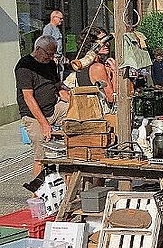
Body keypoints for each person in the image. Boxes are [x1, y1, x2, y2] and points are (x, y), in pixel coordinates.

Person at [15, 35, 69, 176]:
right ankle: (36, 194)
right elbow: (28, 97)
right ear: (38, 49)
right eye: (48, 54)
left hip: (53, 108)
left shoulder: (50, 64)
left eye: (53, 54)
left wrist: (73, 100)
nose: (51, 57)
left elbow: (58, 87)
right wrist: (44, 124)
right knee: (41, 156)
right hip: (33, 115)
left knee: (73, 111)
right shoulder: (24, 66)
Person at [74, 26, 116, 106]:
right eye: (103, 41)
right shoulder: (97, 67)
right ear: (91, 44)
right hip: (102, 112)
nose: (107, 44)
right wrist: (115, 72)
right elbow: (112, 98)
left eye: (107, 40)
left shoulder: (85, 65)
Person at [42, 10, 65, 77]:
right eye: (60, 18)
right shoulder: (48, 28)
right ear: (54, 17)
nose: (62, 20)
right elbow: (46, 43)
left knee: (60, 75)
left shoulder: (57, 29)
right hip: (53, 57)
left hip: (59, 57)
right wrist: (52, 57)